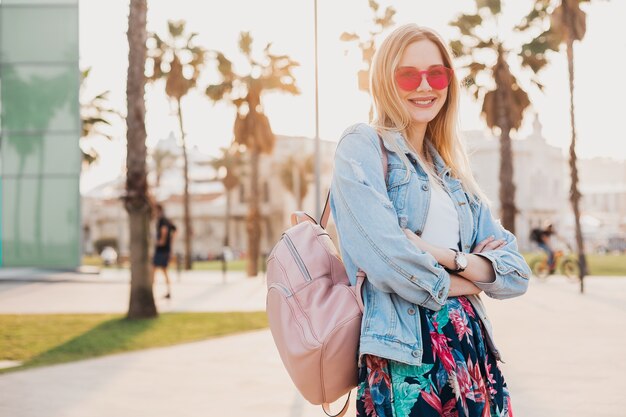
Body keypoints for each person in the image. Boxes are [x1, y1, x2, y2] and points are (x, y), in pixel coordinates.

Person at [329, 24, 531, 417]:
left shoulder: (453, 173)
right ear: (385, 81)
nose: (425, 86)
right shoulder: (362, 146)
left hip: (472, 352)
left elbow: (516, 274)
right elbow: (389, 263)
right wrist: (468, 279)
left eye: (436, 74)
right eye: (409, 74)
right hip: (407, 356)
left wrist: (443, 255)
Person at [152, 204, 177, 299]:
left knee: (153, 269)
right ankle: (168, 291)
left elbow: (164, 230)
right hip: (166, 249)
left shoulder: (162, 221)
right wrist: (170, 242)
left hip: (161, 250)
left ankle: (151, 293)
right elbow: (175, 230)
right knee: (164, 271)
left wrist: (162, 241)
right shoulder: (167, 220)